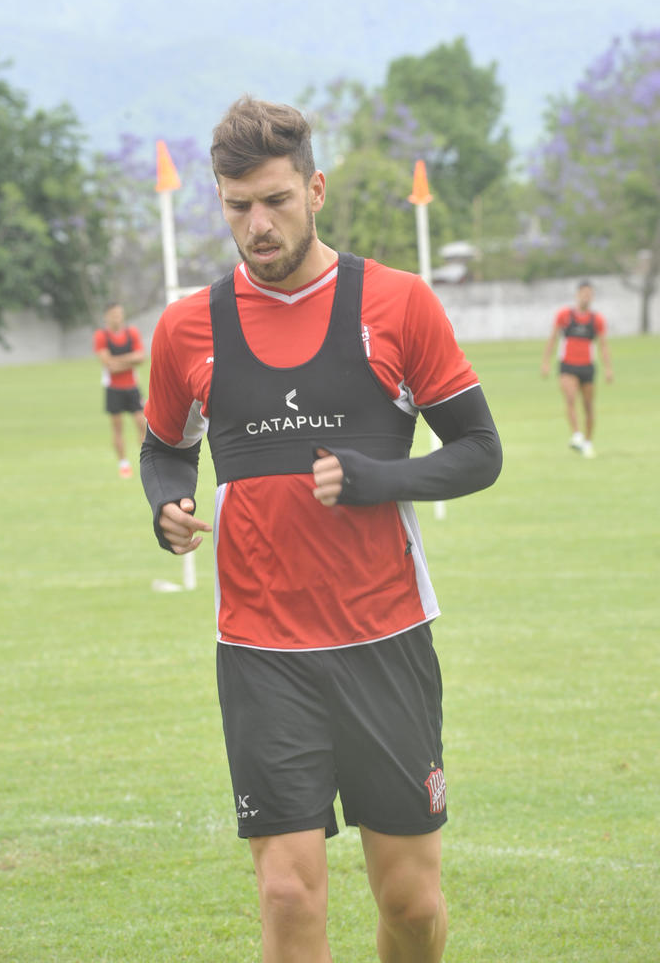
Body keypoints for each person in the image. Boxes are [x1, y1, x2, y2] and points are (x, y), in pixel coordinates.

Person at [140, 97, 502, 963]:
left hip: (386, 639)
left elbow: (480, 451)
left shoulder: (399, 303)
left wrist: (381, 479)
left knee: (410, 903)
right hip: (261, 650)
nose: (258, 225)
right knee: (287, 893)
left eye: (275, 200)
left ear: (315, 189)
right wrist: (167, 505)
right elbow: (164, 448)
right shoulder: (187, 327)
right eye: (238, 206)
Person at [540, 279, 613, 458]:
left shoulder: (597, 320)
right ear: (577, 295)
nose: (586, 297)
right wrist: (546, 362)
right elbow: (553, 338)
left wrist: (608, 368)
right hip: (568, 365)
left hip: (587, 367)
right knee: (570, 398)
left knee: (588, 406)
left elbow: (603, 345)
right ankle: (577, 434)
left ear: (592, 297)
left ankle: (588, 443)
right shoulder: (564, 315)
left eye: (589, 294)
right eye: (583, 293)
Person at [93, 302, 147, 478]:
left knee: (142, 424)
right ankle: (123, 464)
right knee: (117, 428)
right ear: (107, 317)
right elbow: (109, 365)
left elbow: (141, 357)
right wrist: (130, 360)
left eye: (120, 314)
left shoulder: (132, 333)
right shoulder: (101, 336)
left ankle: (145, 463)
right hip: (113, 388)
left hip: (132, 387)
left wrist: (118, 361)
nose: (118, 318)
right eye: (114, 315)